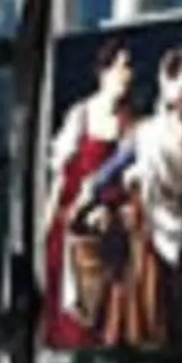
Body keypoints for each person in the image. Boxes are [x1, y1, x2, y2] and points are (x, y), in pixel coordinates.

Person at [69, 44, 182, 347]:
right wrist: (92, 197)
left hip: (169, 229)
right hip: (141, 233)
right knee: (135, 302)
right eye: (181, 85)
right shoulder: (148, 132)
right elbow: (110, 171)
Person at [42, 40, 134, 346]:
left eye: (129, 68)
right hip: (69, 226)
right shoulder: (80, 115)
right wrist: (47, 223)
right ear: (105, 72)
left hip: (104, 232)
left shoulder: (126, 125)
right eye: (122, 67)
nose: (127, 75)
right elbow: (59, 175)